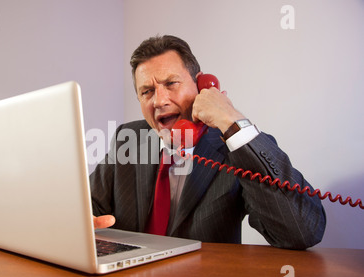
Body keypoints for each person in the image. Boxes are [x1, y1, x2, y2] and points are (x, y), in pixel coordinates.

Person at [90, 35, 326, 250]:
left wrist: (232, 122)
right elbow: (88, 207)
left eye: (171, 83)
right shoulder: (128, 139)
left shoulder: (237, 149)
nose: (159, 100)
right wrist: (81, 222)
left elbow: (303, 231)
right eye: (147, 91)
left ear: (202, 86)